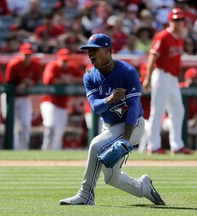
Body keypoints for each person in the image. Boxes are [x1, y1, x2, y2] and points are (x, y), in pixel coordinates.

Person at [59, 33, 165, 206]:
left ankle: (85, 195)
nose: (91, 54)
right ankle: (143, 188)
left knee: (95, 145)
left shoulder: (127, 72)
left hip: (132, 125)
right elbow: (96, 107)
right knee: (112, 178)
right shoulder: (89, 76)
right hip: (109, 126)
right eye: (88, 51)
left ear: (108, 50)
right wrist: (109, 99)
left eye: (95, 50)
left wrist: (126, 137)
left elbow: (134, 107)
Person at [142, 8, 194, 155]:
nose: (179, 22)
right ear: (170, 20)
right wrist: (147, 78)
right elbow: (153, 57)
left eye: (181, 20)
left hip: (172, 78)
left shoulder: (180, 38)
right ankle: (153, 146)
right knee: (157, 111)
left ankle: (177, 146)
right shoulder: (163, 36)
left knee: (178, 110)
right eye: (176, 20)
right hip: (161, 75)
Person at [40, 48, 83, 150]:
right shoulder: (52, 66)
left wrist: (71, 79)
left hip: (63, 104)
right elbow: (47, 80)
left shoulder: (72, 67)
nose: (65, 63)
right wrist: (63, 79)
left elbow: (84, 78)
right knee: (50, 126)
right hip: (49, 101)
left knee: (59, 131)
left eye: (67, 60)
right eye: (63, 60)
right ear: (58, 59)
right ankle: (46, 150)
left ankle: (55, 153)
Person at [4, 43, 42, 150]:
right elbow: (7, 83)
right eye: (25, 54)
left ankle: (24, 149)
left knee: (26, 124)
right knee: (13, 125)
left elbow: (35, 80)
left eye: (29, 55)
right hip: (11, 98)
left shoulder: (36, 65)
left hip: (25, 97)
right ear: (21, 54)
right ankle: (12, 148)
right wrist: (19, 84)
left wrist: (26, 83)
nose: (27, 57)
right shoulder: (14, 64)